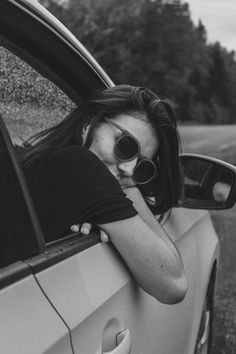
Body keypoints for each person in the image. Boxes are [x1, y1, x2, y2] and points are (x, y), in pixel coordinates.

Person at [17, 85, 187, 304]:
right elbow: (174, 284)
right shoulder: (80, 166)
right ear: (89, 124)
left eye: (142, 166)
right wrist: (127, 188)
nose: (129, 169)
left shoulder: (33, 160)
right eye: (125, 145)